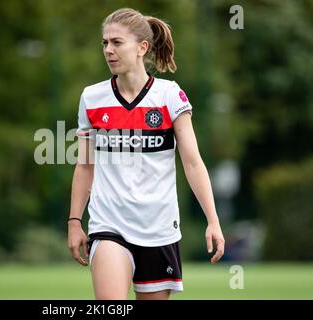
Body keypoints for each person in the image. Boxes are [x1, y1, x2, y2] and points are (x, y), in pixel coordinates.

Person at [67, 8, 225, 300]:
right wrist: (75, 221)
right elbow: (85, 166)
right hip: (108, 224)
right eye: (105, 43)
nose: (108, 50)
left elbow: (192, 163)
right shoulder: (91, 97)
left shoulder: (170, 95)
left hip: (159, 229)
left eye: (117, 42)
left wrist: (212, 220)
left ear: (142, 48)